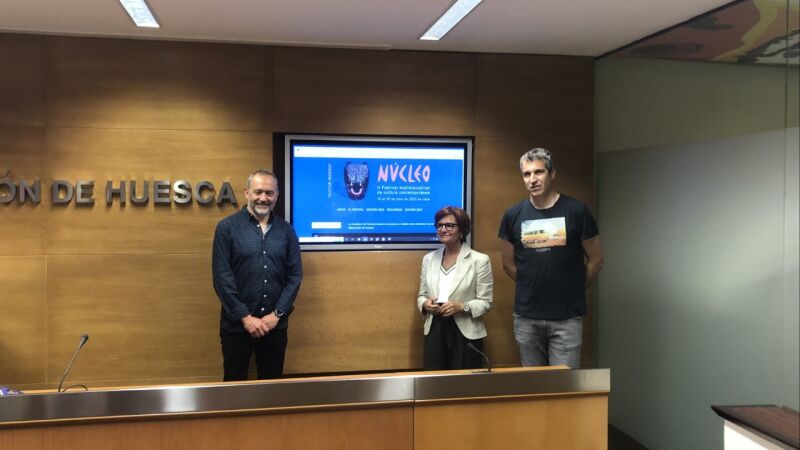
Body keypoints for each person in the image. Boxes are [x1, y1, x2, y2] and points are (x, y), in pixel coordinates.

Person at [498, 148, 603, 369]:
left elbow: (596, 259)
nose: (533, 179)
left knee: (562, 385)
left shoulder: (577, 211)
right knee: (534, 385)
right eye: (527, 174)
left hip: (566, 318)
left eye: (539, 172)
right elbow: (507, 264)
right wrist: (531, 283)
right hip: (527, 317)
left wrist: (575, 287)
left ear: (552, 173)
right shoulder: (512, 215)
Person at [212, 169, 303, 381]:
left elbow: (295, 276)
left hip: (275, 327)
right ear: (247, 193)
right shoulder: (227, 228)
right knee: (234, 388)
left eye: (269, 193)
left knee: (272, 389)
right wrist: (245, 317)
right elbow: (222, 277)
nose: (263, 198)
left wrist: (277, 315)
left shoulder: (287, 231)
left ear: (276, 195)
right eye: (258, 192)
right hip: (236, 327)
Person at [417, 206, 493, 370]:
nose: (443, 229)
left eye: (449, 225)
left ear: (462, 230)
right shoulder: (428, 259)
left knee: (464, 382)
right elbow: (421, 295)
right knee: (434, 380)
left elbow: (486, 302)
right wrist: (425, 304)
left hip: (466, 333)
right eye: (439, 225)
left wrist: (461, 306)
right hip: (435, 328)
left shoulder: (479, 260)